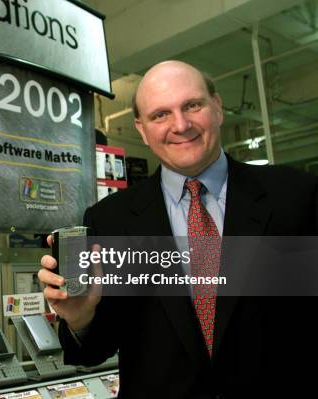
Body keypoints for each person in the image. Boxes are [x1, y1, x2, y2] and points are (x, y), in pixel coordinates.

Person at [39, 61, 318, 398]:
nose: (181, 124)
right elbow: (93, 351)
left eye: (192, 105)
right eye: (160, 115)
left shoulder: (297, 196)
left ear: (216, 107)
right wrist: (81, 319)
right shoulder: (111, 219)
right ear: (141, 129)